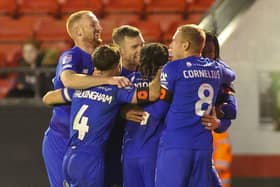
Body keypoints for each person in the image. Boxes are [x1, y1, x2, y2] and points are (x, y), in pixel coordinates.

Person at [42, 44, 161, 187]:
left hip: (70, 157)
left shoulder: (79, 89)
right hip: (91, 159)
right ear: (118, 66)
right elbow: (152, 93)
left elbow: (48, 98)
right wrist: (163, 70)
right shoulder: (116, 90)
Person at [41, 10, 130, 187]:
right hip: (63, 137)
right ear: (78, 31)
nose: (100, 27)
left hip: (93, 144)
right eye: (93, 24)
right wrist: (105, 80)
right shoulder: (71, 56)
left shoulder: (105, 57)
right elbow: (68, 80)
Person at [154, 24, 235, 187]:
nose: (171, 45)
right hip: (203, 146)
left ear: (186, 45)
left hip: (176, 144)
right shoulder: (216, 69)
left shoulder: (173, 68)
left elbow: (161, 107)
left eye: (174, 41)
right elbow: (232, 75)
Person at [122, 43, 169, 187]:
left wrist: (123, 111)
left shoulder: (128, 81)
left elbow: (110, 105)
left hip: (129, 151)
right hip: (154, 151)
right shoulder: (167, 84)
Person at [105, 25, 145, 187]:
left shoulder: (150, 72)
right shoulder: (109, 77)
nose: (141, 50)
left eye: (142, 44)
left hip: (142, 150)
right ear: (120, 50)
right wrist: (120, 112)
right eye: (135, 47)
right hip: (112, 149)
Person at [201, 31, 237, 187]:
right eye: (203, 51)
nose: (206, 56)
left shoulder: (222, 76)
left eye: (210, 51)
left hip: (204, 144)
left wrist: (218, 123)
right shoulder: (176, 71)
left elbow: (231, 111)